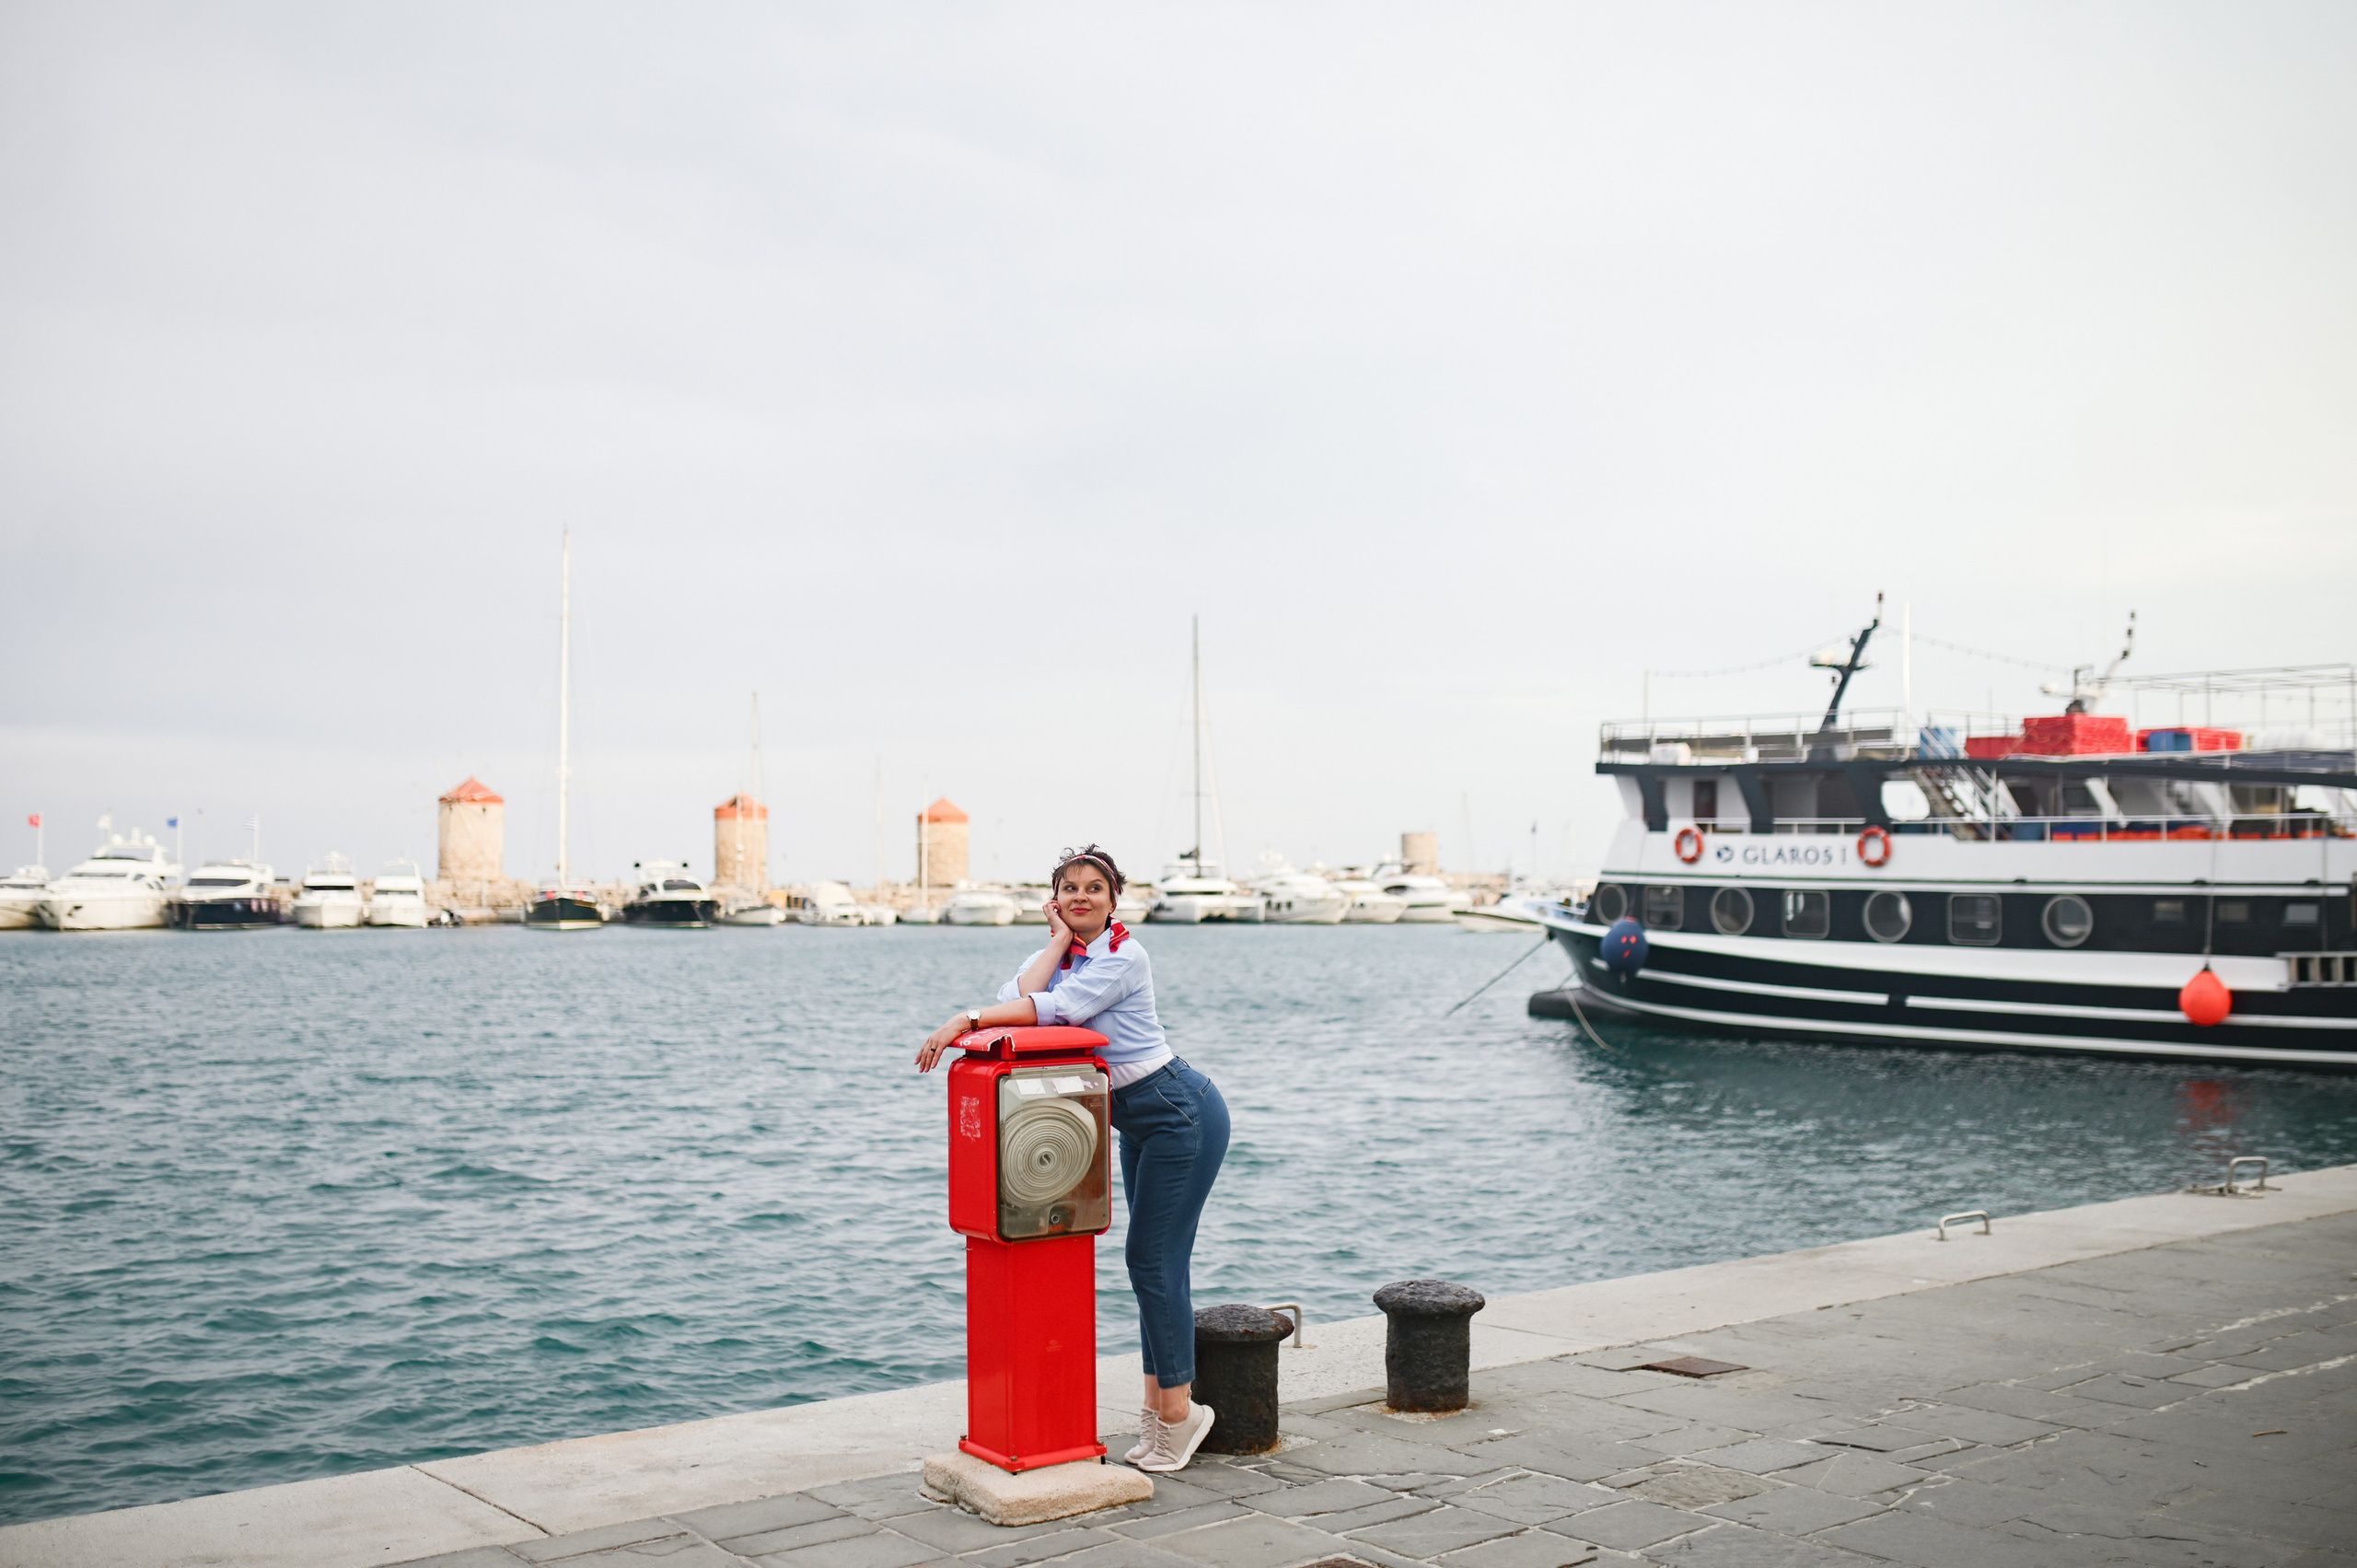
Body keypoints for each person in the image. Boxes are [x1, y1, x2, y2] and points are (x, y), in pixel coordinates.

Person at [917, 844, 1229, 1474]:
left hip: (1179, 1113)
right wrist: (1058, 941)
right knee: (1155, 1265)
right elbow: (1020, 993)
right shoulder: (1065, 957)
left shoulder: (1124, 956)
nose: (1081, 896)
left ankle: (1178, 1413)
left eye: (1094, 888)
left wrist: (963, 1020)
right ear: (1054, 899)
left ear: (1114, 900)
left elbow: (1058, 1011)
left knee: (1153, 1262)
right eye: (1069, 888)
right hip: (1136, 1119)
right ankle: (1159, 1409)